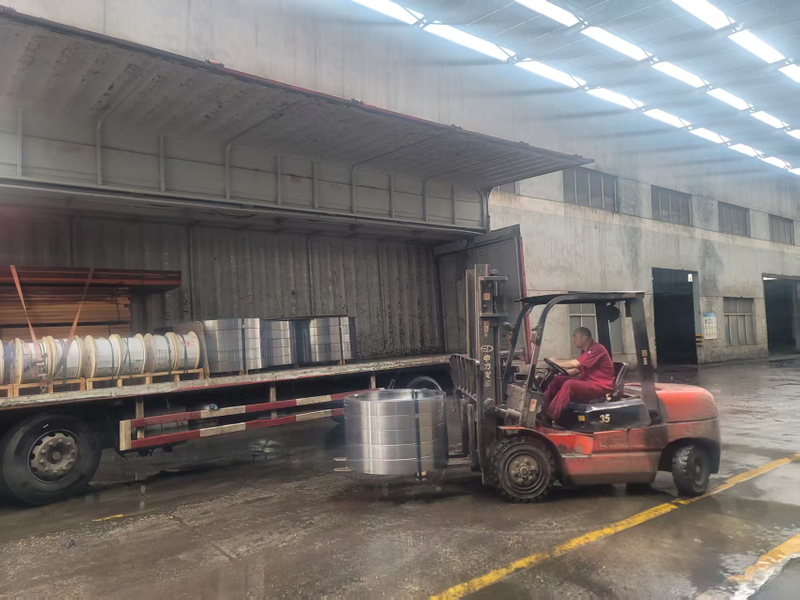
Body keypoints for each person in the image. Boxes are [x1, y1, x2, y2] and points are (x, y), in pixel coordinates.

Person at [542, 327, 616, 423]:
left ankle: (549, 416)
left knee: (570, 384)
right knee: (557, 379)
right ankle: (541, 409)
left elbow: (575, 364)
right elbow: (578, 369)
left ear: (584, 338)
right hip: (590, 382)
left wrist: (556, 362)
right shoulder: (586, 351)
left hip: (601, 385)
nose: (573, 340)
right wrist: (561, 373)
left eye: (575, 337)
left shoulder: (597, 349)